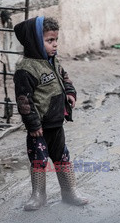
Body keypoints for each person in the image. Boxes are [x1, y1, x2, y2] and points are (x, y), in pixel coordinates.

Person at [13, 16, 89, 210]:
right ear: (36, 42)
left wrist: (70, 93)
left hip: (56, 124)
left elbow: (64, 77)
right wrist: (33, 124)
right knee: (39, 160)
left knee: (62, 157)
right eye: (49, 41)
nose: (55, 45)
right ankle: (38, 195)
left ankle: (70, 192)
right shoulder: (26, 69)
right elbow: (24, 101)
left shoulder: (52, 61)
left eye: (56, 40)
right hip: (39, 128)